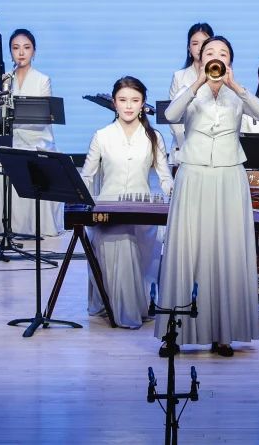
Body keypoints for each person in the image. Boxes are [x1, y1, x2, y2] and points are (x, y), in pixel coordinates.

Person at [157, 36, 259, 358]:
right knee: (186, 250)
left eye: (222, 53)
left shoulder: (237, 93)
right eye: (209, 52)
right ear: (200, 58)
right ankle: (173, 333)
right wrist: (197, 84)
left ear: (230, 61)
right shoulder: (190, 90)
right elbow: (171, 115)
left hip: (229, 175)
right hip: (193, 174)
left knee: (226, 251)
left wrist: (236, 86)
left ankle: (224, 333)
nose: (215, 57)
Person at [79, 77, 173, 328]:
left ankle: (132, 306)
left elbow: (165, 178)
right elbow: (86, 177)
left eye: (135, 100)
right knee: (119, 241)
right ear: (114, 103)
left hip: (142, 212)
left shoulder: (153, 137)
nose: (129, 106)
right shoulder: (102, 136)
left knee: (135, 243)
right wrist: (80, 202)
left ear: (143, 103)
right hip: (107, 212)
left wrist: (175, 194)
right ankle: (124, 311)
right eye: (123, 100)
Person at [0, 29, 62, 237]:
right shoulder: (6, 79)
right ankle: (6, 226)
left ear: (34, 51)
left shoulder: (43, 79)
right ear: (10, 52)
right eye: (16, 48)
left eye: (26, 47)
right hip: (13, 138)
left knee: (35, 158)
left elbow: (43, 115)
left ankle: (37, 226)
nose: (21, 53)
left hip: (37, 138)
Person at [167, 22, 215, 160]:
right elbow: (173, 118)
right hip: (184, 148)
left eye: (204, 43)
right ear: (189, 48)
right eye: (195, 43)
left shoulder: (222, 76)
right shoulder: (179, 77)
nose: (200, 48)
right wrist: (186, 146)